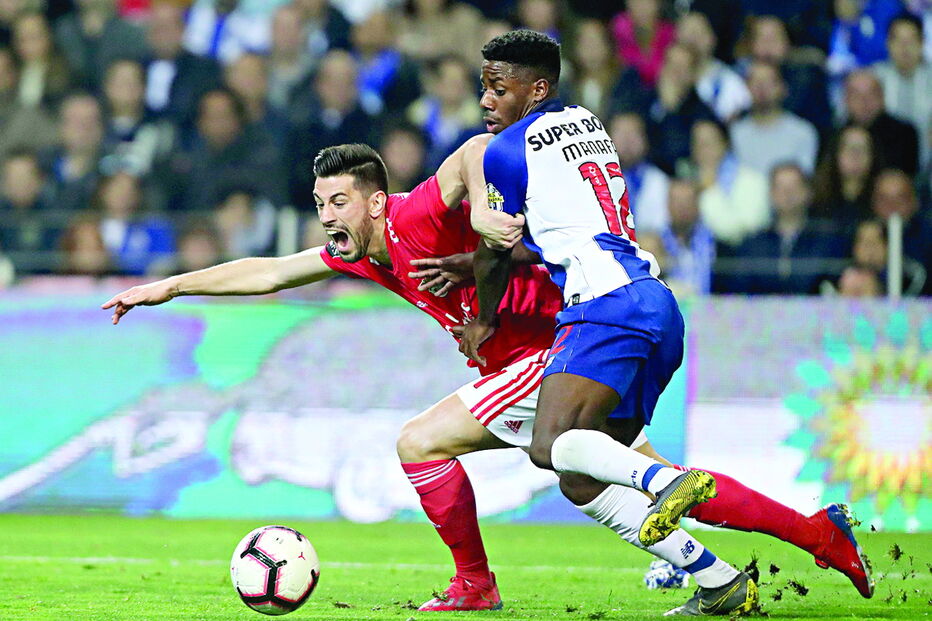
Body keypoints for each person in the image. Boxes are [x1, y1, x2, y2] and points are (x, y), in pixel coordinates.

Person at [103, 137, 875, 613]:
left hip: (556, 352)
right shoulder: (358, 250)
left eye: (339, 199)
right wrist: (166, 286)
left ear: (376, 199)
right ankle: (792, 543)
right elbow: (269, 271)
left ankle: (475, 583)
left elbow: (475, 152)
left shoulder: (412, 217)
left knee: (419, 442)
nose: (327, 213)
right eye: (318, 201)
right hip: (571, 359)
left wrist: (478, 220)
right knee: (600, 483)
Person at [455, 30, 745, 616]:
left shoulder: (508, 150)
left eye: (498, 87)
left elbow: (496, 247)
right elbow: (564, 225)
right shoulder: (587, 122)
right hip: (656, 303)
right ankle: (719, 580)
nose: (486, 100)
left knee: (550, 445)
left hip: (604, 306)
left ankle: (663, 483)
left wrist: (482, 320)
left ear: (536, 88)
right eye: (483, 87)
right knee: (583, 474)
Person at [730, 59, 819, 176]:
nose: (761, 88)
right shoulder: (734, 134)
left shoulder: (803, 133)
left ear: (782, 88)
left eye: (768, 82)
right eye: (755, 82)